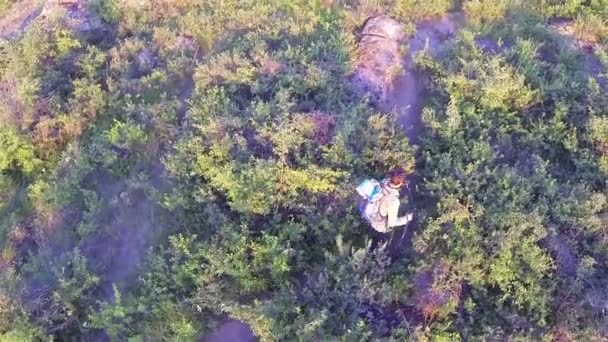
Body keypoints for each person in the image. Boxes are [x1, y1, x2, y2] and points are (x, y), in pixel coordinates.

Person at [367, 169, 413, 233]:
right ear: (400, 183)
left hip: (370, 215)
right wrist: (407, 219)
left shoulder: (383, 182)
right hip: (379, 224)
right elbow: (392, 223)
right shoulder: (393, 201)